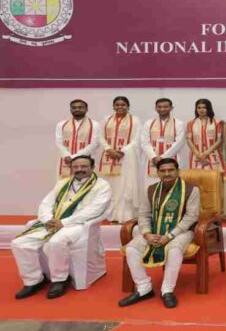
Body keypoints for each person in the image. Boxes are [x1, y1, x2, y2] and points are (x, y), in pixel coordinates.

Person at [11, 155, 111, 299]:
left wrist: (64, 223)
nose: (79, 169)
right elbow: (46, 203)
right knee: (19, 243)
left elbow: (95, 210)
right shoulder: (62, 183)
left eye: (84, 166)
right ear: (71, 168)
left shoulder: (102, 186)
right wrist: (47, 220)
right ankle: (33, 280)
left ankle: (60, 280)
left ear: (92, 167)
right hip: (54, 222)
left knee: (56, 242)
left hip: (78, 224)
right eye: (76, 167)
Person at [118, 158, 200, 309]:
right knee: (131, 248)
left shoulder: (191, 190)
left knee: (174, 249)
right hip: (154, 231)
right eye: (163, 171)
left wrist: (169, 236)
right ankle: (144, 288)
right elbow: (143, 214)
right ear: (158, 173)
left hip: (182, 232)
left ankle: (167, 290)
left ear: (178, 171)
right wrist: (147, 233)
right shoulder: (151, 190)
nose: (167, 173)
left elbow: (191, 217)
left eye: (171, 170)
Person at [98, 96, 142, 223]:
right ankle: (109, 215)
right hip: (108, 157)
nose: (120, 107)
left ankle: (123, 215)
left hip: (126, 158)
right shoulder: (106, 120)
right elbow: (100, 136)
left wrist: (123, 151)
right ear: (113, 106)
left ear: (128, 106)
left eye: (123, 105)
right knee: (109, 187)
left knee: (124, 188)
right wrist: (108, 149)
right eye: (117, 104)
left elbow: (137, 139)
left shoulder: (135, 120)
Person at [140, 98, 185, 186]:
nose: (162, 109)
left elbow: (179, 143)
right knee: (151, 186)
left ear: (171, 108)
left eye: (165, 107)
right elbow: (144, 142)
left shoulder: (178, 123)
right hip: (153, 160)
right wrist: (153, 157)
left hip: (172, 158)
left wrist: (162, 157)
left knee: (173, 186)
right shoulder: (149, 123)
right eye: (159, 107)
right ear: (155, 108)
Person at [55, 99, 100, 179]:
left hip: (86, 159)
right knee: (64, 184)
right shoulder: (61, 124)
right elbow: (59, 142)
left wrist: (74, 157)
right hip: (66, 160)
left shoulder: (95, 125)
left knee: (86, 184)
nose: (77, 109)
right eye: (74, 107)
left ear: (86, 109)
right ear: (70, 109)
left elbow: (95, 144)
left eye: (80, 107)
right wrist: (66, 155)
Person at [186, 98, 224, 171]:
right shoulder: (191, 123)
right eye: (199, 107)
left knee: (214, 176)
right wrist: (198, 154)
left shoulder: (217, 122)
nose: (201, 110)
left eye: (204, 107)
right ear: (196, 109)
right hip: (196, 155)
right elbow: (189, 140)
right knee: (196, 177)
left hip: (213, 154)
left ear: (209, 109)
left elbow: (219, 140)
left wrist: (206, 153)